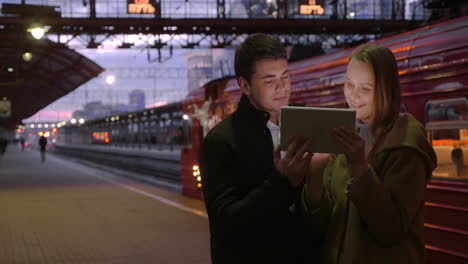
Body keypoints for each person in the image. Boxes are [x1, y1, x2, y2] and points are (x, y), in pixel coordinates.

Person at [302, 44, 437, 264]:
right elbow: (320, 225)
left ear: (387, 90)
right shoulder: (346, 133)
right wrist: (314, 174)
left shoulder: (406, 144)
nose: (353, 96)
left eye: (365, 89)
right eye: (349, 85)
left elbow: (390, 230)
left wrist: (359, 167)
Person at [199, 33, 317, 264]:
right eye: (269, 80)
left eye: (285, 76)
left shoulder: (309, 127)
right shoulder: (220, 142)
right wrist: (283, 182)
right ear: (245, 85)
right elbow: (228, 225)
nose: (282, 87)